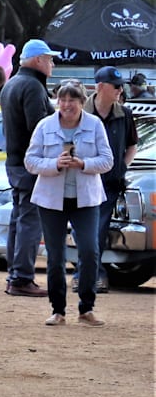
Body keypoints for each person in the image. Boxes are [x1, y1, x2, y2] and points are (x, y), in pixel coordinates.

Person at [24, 83, 112, 327]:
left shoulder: (94, 125)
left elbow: (107, 161)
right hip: (51, 199)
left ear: (82, 102)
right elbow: (31, 161)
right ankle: (58, 310)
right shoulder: (45, 126)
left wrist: (83, 164)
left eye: (72, 100)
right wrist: (55, 164)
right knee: (55, 256)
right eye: (62, 100)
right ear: (56, 101)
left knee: (90, 251)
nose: (67, 105)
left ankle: (86, 307)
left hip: (86, 199)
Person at [0, 39, 58, 297]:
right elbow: (40, 129)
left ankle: (15, 274)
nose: (52, 64)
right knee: (30, 221)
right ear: (37, 60)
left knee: (19, 218)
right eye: (49, 59)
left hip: (14, 161)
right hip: (31, 164)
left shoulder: (11, 84)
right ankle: (22, 278)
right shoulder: (33, 87)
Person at [74, 68, 138, 293]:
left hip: (109, 183)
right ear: (100, 86)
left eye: (122, 86)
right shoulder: (81, 113)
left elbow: (132, 144)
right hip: (82, 181)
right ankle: (85, 274)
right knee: (82, 231)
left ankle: (90, 276)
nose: (121, 90)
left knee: (97, 230)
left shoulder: (125, 114)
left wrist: (122, 166)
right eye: (116, 86)